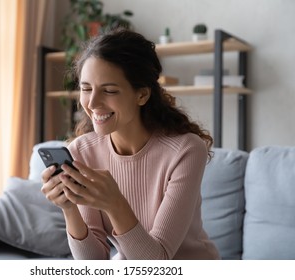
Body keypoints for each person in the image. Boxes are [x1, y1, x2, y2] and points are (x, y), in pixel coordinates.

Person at [41, 28, 220, 260]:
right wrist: (69, 207)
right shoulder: (82, 151)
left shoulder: (185, 150)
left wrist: (115, 202)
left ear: (142, 95)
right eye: (86, 89)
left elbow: (157, 263)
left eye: (109, 90)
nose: (93, 103)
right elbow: (93, 263)